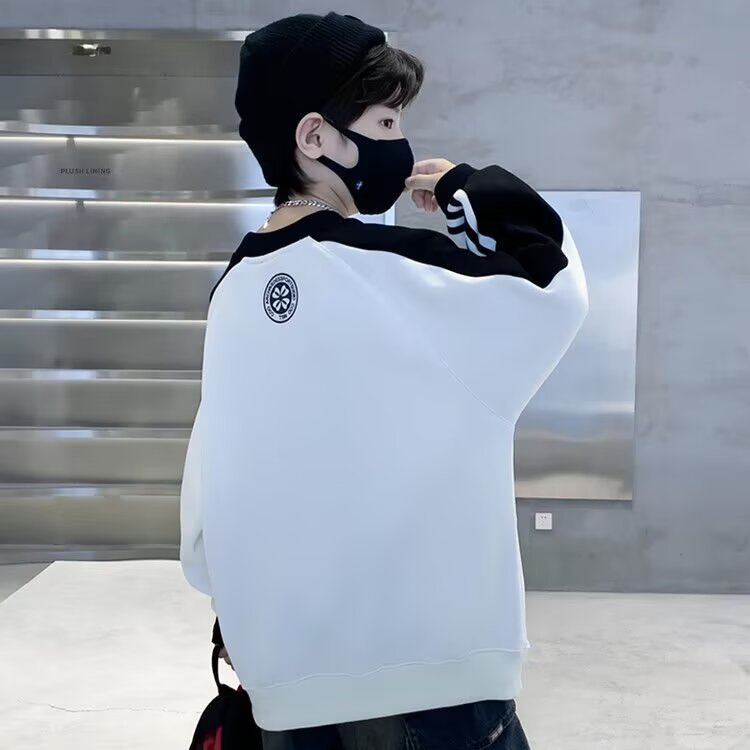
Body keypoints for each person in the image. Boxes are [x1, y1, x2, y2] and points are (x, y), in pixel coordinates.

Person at [180, 11, 588, 750]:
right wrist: (469, 193)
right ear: (315, 137)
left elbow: (208, 502)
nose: (401, 145)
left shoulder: (233, 291)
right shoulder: (391, 271)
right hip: (431, 683)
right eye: (387, 122)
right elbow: (551, 288)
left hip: (283, 688)